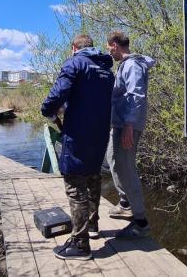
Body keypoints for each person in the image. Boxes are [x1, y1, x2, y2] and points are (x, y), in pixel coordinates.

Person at [41, 34, 114, 260]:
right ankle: (92, 226)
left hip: (78, 134)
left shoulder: (75, 63)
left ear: (74, 48)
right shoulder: (106, 71)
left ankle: (80, 244)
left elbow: (57, 94)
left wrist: (47, 110)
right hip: (100, 134)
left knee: (75, 185)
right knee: (93, 178)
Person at [105, 31, 156, 239]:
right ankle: (126, 203)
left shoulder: (133, 65)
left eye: (109, 48)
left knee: (126, 169)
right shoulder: (125, 65)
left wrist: (128, 125)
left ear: (115, 45)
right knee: (112, 159)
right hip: (119, 124)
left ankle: (141, 222)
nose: (109, 52)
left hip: (128, 125)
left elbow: (137, 95)